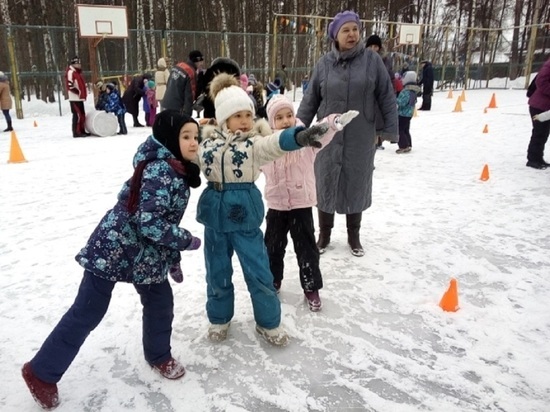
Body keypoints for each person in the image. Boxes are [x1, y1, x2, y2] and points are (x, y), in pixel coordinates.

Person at [21, 110, 203, 410]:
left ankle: (158, 354)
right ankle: (40, 372)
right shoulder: (159, 169)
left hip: (146, 254)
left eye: (195, 136)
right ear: (170, 139)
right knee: (88, 310)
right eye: (186, 137)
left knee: (160, 304)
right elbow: (149, 222)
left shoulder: (176, 168)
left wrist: (171, 258)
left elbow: (158, 221)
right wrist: (184, 240)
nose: (194, 142)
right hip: (115, 246)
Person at [195, 73, 330, 345]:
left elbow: (275, 143)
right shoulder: (207, 145)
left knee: (259, 271)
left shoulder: (254, 143)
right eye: (238, 115)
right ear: (223, 119)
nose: (245, 120)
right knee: (217, 272)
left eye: (248, 114)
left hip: (244, 215)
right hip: (214, 218)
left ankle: (268, 323)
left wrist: (299, 137)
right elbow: (184, 151)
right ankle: (219, 318)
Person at [296, 10, 398, 257]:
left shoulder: (372, 61)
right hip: (327, 135)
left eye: (355, 29)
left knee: (356, 182)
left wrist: (388, 131)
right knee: (325, 181)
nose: (352, 34)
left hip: (360, 134)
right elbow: (311, 99)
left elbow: (385, 95)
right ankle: (324, 234)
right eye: (346, 30)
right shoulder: (324, 64)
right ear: (336, 35)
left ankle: (354, 236)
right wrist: (298, 129)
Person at [261, 94, 358, 311]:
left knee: (306, 249)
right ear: (271, 122)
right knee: (272, 248)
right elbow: (249, 162)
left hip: (301, 204)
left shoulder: (305, 140)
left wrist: (334, 122)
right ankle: (273, 280)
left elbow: (321, 130)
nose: (286, 120)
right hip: (276, 206)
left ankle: (311, 286)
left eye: (289, 115)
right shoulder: (266, 145)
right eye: (279, 117)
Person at [366, 34, 395, 150]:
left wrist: (391, 92)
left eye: (376, 46)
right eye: (371, 46)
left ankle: (378, 141)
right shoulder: (362, 60)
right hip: (367, 95)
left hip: (380, 95)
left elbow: (390, 78)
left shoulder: (385, 61)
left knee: (378, 120)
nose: (373, 49)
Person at [162, 50, 205, 116]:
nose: (202, 64)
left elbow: (168, 84)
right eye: (201, 61)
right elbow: (190, 95)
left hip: (166, 104)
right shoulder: (190, 72)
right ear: (196, 61)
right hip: (178, 108)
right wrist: (187, 115)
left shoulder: (178, 66)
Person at [526, 56, 550, 170]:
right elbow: (541, 81)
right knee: (539, 133)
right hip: (539, 105)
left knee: (544, 133)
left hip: (545, 106)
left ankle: (538, 158)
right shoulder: (548, 65)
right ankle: (533, 159)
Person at [395, 71, 421, 153]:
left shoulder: (406, 91)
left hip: (403, 113)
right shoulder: (413, 91)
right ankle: (408, 144)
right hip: (409, 113)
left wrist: (395, 100)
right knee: (406, 129)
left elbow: (402, 103)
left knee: (400, 129)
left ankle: (403, 146)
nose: (402, 80)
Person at [65, 56, 89, 138]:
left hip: (79, 98)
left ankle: (82, 130)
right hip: (74, 98)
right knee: (77, 115)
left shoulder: (78, 73)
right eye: (78, 63)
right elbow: (70, 85)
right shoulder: (71, 72)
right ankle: (76, 132)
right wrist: (78, 92)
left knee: (82, 114)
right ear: (74, 64)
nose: (79, 65)